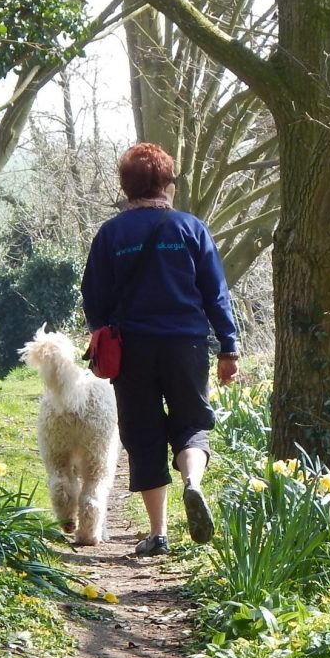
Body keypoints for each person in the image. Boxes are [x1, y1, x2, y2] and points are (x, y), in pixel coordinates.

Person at [81, 142, 239, 556]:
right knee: (190, 424)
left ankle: (158, 534)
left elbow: (93, 298)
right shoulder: (190, 228)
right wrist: (228, 347)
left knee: (144, 435)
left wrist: (102, 331)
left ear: (126, 186)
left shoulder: (111, 234)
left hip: (131, 348)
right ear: (166, 183)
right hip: (185, 343)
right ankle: (194, 484)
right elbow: (215, 293)